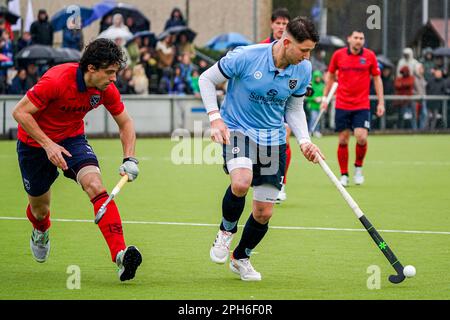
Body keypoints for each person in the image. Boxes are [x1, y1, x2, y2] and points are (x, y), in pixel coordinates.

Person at [199, 16, 324, 281]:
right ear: (286, 42)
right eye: (304, 50)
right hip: (238, 130)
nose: (306, 56)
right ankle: (226, 231)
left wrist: (304, 140)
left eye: (310, 51)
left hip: (273, 140)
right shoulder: (246, 56)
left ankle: (241, 257)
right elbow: (206, 79)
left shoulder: (303, 69)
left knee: (264, 212)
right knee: (241, 182)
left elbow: (294, 108)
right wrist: (215, 117)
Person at [12, 38, 142, 282]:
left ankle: (120, 256)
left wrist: (130, 157)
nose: (114, 79)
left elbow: (125, 122)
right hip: (34, 144)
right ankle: (40, 230)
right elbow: (20, 112)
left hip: (72, 139)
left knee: (95, 185)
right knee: (40, 210)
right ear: (91, 69)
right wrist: (48, 145)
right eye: (110, 72)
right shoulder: (57, 80)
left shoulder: (105, 89)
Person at [321, 30, 384, 187]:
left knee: (361, 137)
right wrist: (325, 98)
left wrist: (381, 102)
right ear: (349, 39)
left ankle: (358, 168)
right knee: (343, 139)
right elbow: (330, 77)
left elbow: (377, 79)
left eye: (361, 38)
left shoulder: (369, 56)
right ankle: (344, 174)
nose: (358, 41)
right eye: (356, 38)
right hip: (342, 104)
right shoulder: (338, 55)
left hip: (362, 104)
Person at [306, 70, 325, 137]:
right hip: (312, 105)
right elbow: (307, 96)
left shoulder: (323, 85)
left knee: (318, 118)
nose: (318, 78)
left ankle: (316, 131)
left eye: (319, 77)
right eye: (316, 77)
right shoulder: (311, 84)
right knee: (313, 118)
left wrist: (321, 98)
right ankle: (310, 131)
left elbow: (324, 94)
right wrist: (314, 99)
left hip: (320, 105)